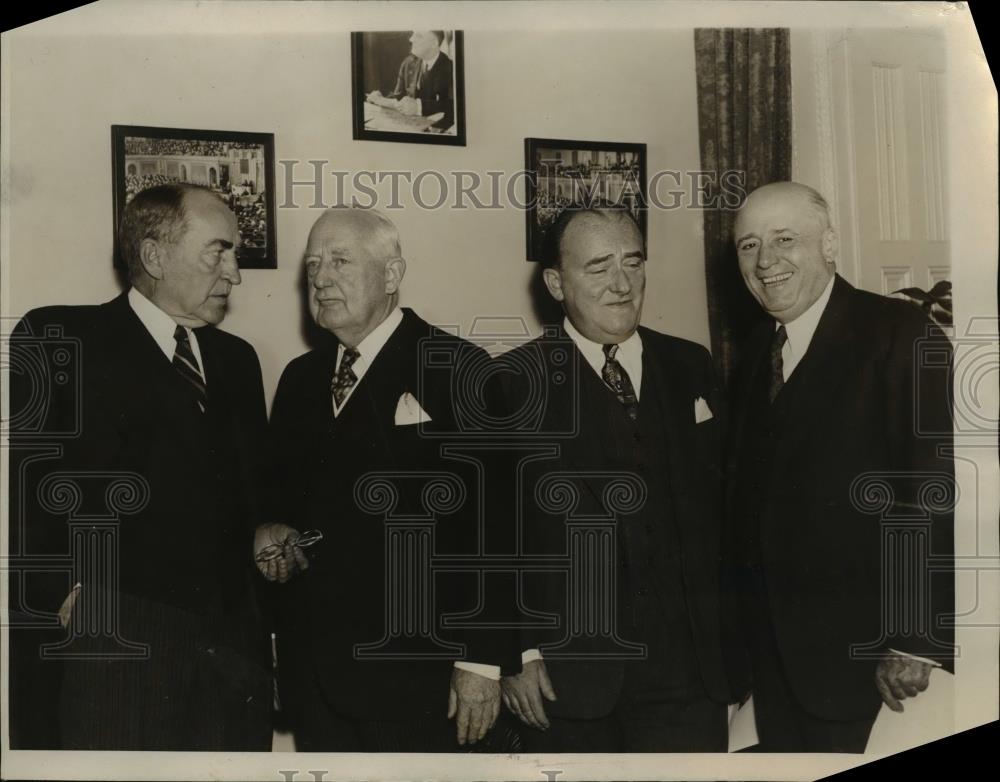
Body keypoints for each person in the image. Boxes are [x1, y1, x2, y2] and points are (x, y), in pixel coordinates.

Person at [7, 183, 272, 750]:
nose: (235, 274)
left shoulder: (238, 361)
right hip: (116, 647)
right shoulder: (63, 338)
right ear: (154, 256)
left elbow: (252, 501)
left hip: (229, 656)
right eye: (218, 251)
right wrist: (59, 595)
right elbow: (25, 482)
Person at [260, 207, 518, 751]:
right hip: (318, 680)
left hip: (421, 682)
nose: (321, 278)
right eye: (312, 265)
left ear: (392, 275)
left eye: (340, 261)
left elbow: (499, 530)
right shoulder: (300, 379)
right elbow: (281, 510)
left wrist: (481, 661)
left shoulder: (458, 369)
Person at [725, 181, 955, 752]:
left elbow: (929, 492)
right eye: (748, 246)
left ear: (829, 244)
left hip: (870, 660)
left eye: (785, 240)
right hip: (774, 660)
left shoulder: (900, 334)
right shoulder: (756, 352)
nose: (766, 261)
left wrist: (914, 638)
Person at [496, 205, 734, 752]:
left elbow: (724, 513)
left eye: (633, 261)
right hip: (568, 681)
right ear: (556, 283)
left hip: (690, 676)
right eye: (598, 267)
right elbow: (490, 540)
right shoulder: (510, 383)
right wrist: (517, 654)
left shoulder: (690, 364)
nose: (621, 283)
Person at [367, 31, 454, 131]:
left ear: (434, 43)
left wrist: (418, 106)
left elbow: (452, 105)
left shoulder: (451, 68)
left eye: (418, 36)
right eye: (413, 34)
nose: (411, 39)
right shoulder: (408, 63)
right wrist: (381, 97)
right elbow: (399, 96)